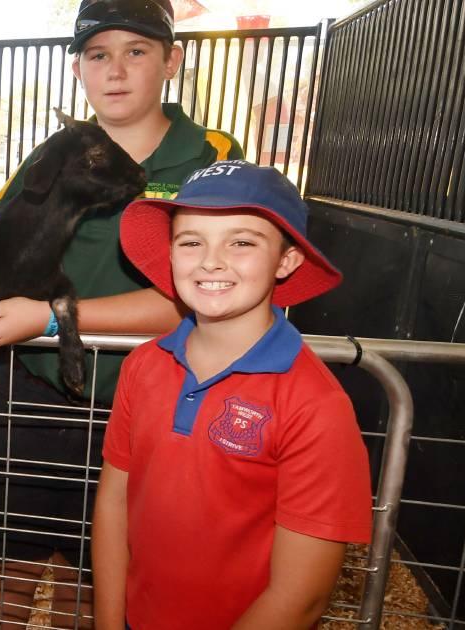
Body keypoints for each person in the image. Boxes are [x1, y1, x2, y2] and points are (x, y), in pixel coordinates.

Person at [0, 1, 244, 626]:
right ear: (77, 68)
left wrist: (52, 318)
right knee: (8, 569)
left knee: (97, 572)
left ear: (171, 61)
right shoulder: (57, 149)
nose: (115, 70)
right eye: (98, 54)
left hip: (142, 398)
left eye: (136, 51)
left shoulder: (212, 158)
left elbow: (204, 301)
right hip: (34, 387)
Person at [93, 161, 373, 628]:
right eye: (191, 241)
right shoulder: (143, 366)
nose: (211, 261)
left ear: (286, 260)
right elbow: (114, 503)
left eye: (241, 242)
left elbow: (300, 596)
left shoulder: (314, 404)